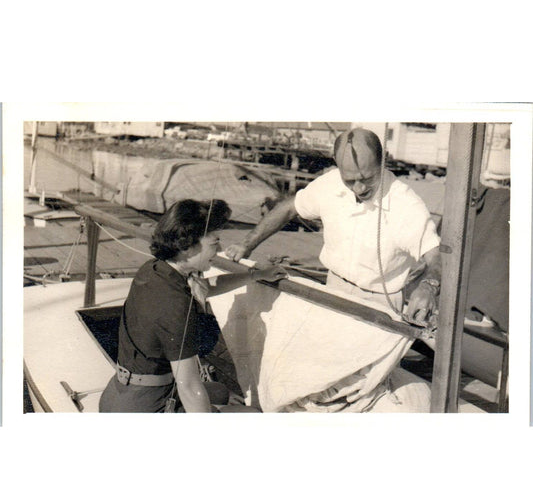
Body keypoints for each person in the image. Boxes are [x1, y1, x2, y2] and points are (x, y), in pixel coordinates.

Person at [225, 127, 441, 322]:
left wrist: (428, 286)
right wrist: (247, 244)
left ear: (383, 161)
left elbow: (437, 256)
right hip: (333, 289)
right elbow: (289, 208)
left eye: (367, 178)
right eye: (350, 180)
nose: (359, 188)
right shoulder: (329, 183)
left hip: (379, 304)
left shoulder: (407, 205)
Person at [99, 199, 286, 413]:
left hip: (122, 393)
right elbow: (188, 387)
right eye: (215, 243)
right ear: (187, 246)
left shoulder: (154, 270)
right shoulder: (175, 305)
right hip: (146, 406)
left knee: (220, 391)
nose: (220, 251)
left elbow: (206, 286)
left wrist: (255, 275)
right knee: (251, 415)